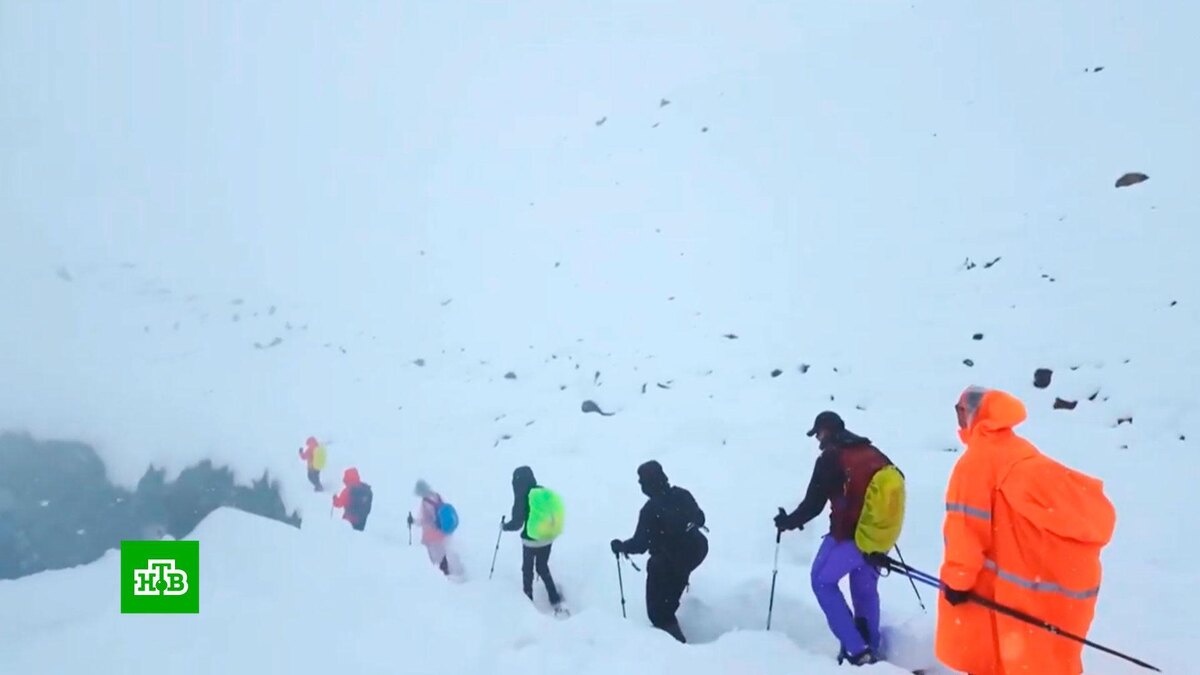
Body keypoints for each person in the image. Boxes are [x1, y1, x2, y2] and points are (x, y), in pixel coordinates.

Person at [937, 387, 1115, 675]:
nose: (958, 420)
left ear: (974, 414)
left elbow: (965, 531)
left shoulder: (975, 464)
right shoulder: (1019, 449)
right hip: (1046, 583)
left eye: (960, 412)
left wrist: (957, 583)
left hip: (1002, 591)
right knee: (1038, 662)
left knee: (994, 661)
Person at [774, 411, 901, 666]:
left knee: (821, 581)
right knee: (864, 590)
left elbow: (813, 505)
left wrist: (788, 522)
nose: (817, 439)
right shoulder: (873, 453)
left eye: (818, 433)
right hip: (877, 537)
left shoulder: (830, 458)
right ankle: (871, 647)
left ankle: (856, 650)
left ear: (825, 431)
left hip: (849, 537)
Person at [610, 460, 709, 643]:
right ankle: (673, 635)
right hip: (696, 550)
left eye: (641, 481)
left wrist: (621, 546)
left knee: (658, 613)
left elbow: (640, 544)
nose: (640, 485)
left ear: (649, 483)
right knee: (669, 597)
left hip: (667, 563)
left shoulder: (650, 510)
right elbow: (700, 518)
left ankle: (676, 648)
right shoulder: (682, 495)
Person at [502, 466, 564, 612]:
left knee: (527, 569)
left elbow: (517, 523)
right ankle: (554, 597)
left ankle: (527, 600)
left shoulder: (522, 497)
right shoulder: (542, 492)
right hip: (548, 537)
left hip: (531, 541)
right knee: (542, 567)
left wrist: (504, 527)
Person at [415, 479, 454, 575]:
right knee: (442, 555)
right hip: (442, 531)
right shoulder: (437, 496)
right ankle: (447, 573)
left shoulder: (425, 502)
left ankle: (440, 577)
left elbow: (425, 519)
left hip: (431, 534)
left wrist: (414, 522)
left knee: (431, 559)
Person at [331, 467, 372, 532]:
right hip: (362, 520)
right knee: (357, 536)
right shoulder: (365, 488)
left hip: (349, 520)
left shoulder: (348, 490)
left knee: (347, 537)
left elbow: (338, 504)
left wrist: (335, 499)